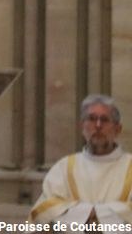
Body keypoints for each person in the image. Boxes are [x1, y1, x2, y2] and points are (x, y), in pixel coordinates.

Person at [30, 94, 132, 229]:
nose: (98, 125)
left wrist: (86, 214)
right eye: (92, 119)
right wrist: (99, 214)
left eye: (105, 120)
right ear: (82, 127)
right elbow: (45, 209)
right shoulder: (64, 168)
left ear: (118, 129)